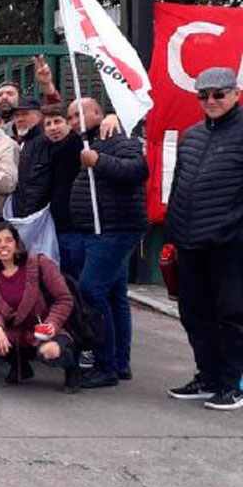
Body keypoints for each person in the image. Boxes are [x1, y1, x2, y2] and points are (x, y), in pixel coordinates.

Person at [165, 67, 243, 410]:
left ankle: (232, 383)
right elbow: (179, 183)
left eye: (218, 94)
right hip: (190, 240)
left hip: (230, 243)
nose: (210, 101)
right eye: (203, 95)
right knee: (194, 313)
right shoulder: (192, 135)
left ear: (235, 94)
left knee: (232, 315)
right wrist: (174, 231)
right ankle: (207, 376)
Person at [65, 97, 148, 390]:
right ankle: (119, 362)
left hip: (114, 229)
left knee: (91, 290)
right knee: (114, 294)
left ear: (99, 113)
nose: (74, 120)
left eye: (80, 114)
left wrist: (98, 161)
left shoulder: (115, 135)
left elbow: (137, 170)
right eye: (71, 116)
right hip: (98, 230)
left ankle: (105, 365)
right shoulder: (90, 141)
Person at [0, 222, 80, 391]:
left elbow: (64, 299)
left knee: (50, 353)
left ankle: (71, 369)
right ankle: (20, 366)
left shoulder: (40, 263)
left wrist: (52, 324)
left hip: (47, 328)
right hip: (17, 330)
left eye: (8, 240)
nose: (3, 246)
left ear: (17, 244)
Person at [41, 105, 82, 276]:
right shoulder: (47, 150)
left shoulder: (78, 144)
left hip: (77, 225)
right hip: (57, 224)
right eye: (48, 124)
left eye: (57, 121)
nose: (53, 127)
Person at [7, 98, 51, 217]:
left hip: (34, 213)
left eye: (25, 114)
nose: (20, 119)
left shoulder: (42, 141)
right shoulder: (26, 140)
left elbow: (38, 183)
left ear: (39, 116)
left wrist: (26, 216)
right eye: (16, 115)